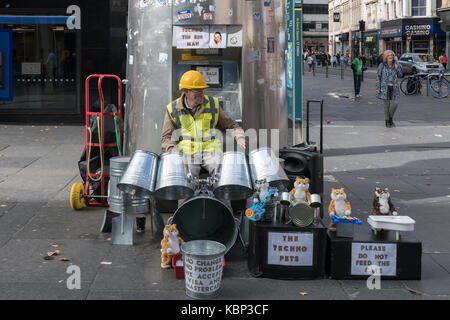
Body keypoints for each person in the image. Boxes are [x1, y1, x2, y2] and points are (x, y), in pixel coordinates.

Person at [161, 70, 247, 177]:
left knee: (223, 173)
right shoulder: (172, 109)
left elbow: (231, 125)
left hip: (211, 151)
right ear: (186, 91)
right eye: (197, 91)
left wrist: (239, 137)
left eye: (202, 90)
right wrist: (171, 148)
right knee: (186, 176)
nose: (201, 94)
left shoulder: (213, 104)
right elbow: (166, 137)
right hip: (187, 154)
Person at [376, 50, 403, 128]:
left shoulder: (397, 64)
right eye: (388, 55)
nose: (390, 56)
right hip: (385, 87)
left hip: (394, 88)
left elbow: (400, 75)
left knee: (395, 103)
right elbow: (378, 76)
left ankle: (390, 118)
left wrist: (397, 68)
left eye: (391, 55)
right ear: (385, 57)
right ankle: (387, 121)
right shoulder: (382, 65)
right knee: (386, 105)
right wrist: (378, 88)